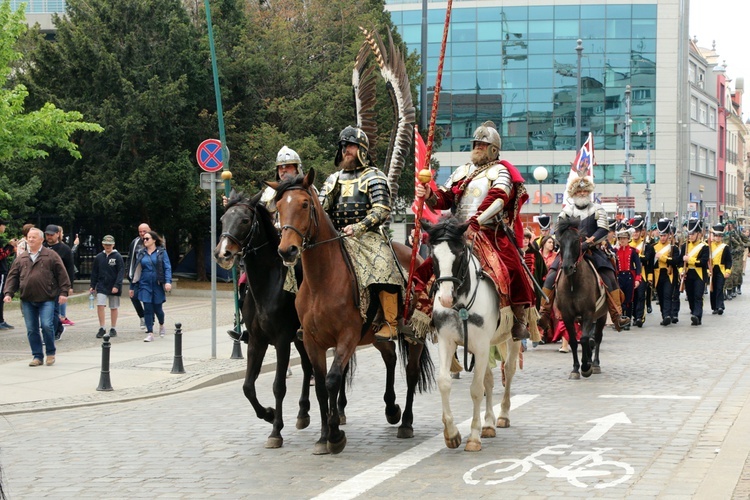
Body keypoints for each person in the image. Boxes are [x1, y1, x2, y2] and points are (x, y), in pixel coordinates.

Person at [417, 121, 534, 341]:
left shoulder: (502, 171)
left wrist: (475, 222)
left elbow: (498, 198)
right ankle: (422, 314)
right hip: (457, 232)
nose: (478, 147)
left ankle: (518, 321)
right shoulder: (463, 171)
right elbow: (445, 198)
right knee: (427, 268)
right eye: (476, 143)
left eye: (483, 144)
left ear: (493, 149)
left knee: (513, 268)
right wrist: (429, 194)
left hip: (489, 231)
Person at [318, 125, 404, 341]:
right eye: (344, 145)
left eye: (351, 145)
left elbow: (381, 209)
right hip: (337, 236)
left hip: (367, 236)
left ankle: (390, 322)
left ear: (362, 150)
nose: (346, 149)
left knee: (383, 266)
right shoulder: (333, 179)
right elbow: (321, 208)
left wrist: (359, 227)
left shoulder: (374, 176)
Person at [538, 174, 631, 331]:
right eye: (579, 192)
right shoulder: (567, 211)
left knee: (609, 275)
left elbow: (603, 229)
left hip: (592, 250)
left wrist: (589, 242)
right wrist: (566, 243)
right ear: (573, 194)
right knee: (551, 276)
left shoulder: (597, 209)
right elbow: (558, 231)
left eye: (585, 191)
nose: (582, 194)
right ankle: (544, 313)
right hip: (569, 252)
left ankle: (617, 314)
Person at [3, 228, 71, 366]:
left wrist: (64, 292)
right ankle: (37, 356)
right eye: (29, 237)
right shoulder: (21, 258)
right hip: (27, 299)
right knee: (31, 329)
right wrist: (8, 293)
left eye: (34, 237)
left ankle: (50, 353)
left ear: (41, 240)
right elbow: (13, 276)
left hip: (47, 298)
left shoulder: (51, 255)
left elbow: (62, 274)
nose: (31, 239)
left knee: (47, 325)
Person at [130, 231, 172, 342]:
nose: (145, 240)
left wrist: (168, 281)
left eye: (147, 238)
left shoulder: (161, 252)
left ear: (154, 240)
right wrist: (132, 286)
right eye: (143, 239)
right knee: (147, 308)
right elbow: (137, 270)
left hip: (157, 283)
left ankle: (161, 324)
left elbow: (167, 267)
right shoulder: (141, 253)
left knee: (158, 308)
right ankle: (150, 333)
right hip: (144, 283)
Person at [43, 224, 75, 340]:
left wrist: (69, 286)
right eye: (47, 234)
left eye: (52, 234)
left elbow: (70, 268)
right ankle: (54, 327)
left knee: (54, 309)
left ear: (58, 234)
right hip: (43, 283)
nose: (49, 237)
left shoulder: (64, 249)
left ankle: (56, 329)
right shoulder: (42, 247)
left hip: (58, 283)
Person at [90, 235, 125, 338]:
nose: (107, 246)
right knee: (100, 305)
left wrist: (117, 285)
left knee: (113, 307)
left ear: (113, 245)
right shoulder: (99, 257)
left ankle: (113, 328)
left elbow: (121, 272)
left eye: (109, 244)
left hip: (114, 285)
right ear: (103, 244)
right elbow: (94, 272)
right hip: (102, 285)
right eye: (106, 244)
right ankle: (102, 327)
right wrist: (93, 285)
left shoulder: (117, 256)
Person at [650, 218, 680, 326]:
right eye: (661, 235)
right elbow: (651, 263)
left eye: (664, 235)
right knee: (661, 296)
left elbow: (676, 261)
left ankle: (668, 315)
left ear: (668, 235)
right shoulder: (653, 247)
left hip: (669, 274)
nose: (662, 238)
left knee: (668, 295)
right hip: (658, 275)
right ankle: (664, 315)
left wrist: (662, 257)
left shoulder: (673, 248)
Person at [681, 218, 709, 326]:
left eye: (693, 234)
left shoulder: (704, 247)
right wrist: (681, 271)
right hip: (688, 274)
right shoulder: (685, 246)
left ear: (698, 234)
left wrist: (690, 260)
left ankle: (697, 315)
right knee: (691, 295)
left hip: (699, 274)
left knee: (698, 296)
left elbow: (703, 262)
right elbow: (680, 262)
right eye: (689, 234)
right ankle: (694, 313)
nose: (690, 236)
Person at [614, 224, 642, 330]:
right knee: (620, 300)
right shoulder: (615, 251)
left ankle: (628, 321)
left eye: (624, 238)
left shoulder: (633, 251)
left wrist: (638, 279)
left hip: (630, 277)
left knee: (629, 300)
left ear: (628, 239)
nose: (622, 241)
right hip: (619, 277)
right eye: (620, 238)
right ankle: (621, 320)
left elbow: (638, 266)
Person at [126, 223, 151, 329]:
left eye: (144, 231)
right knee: (134, 296)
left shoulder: (154, 242)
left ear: (149, 230)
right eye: (140, 231)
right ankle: (142, 317)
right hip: (136, 275)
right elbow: (130, 257)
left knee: (148, 299)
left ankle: (150, 320)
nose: (142, 234)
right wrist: (128, 271)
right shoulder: (135, 242)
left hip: (149, 276)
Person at [707, 223, 732, 315]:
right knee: (712, 288)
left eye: (720, 236)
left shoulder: (725, 247)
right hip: (711, 269)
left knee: (719, 287)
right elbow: (706, 259)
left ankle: (720, 306)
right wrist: (707, 270)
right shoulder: (708, 245)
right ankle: (714, 307)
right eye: (716, 235)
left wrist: (728, 271)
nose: (718, 237)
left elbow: (729, 261)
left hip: (721, 269)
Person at [0, 218, 18, 330]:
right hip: (0, 272)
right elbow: (1, 255)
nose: (4, 228)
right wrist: (10, 246)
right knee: (1, 295)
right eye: (3, 225)